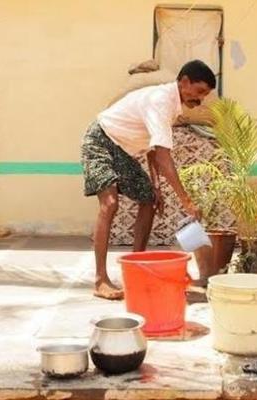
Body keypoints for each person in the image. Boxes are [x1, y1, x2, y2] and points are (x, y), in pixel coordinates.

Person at [81, 60, 215, 299]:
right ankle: (100, 280)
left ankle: (136, 267)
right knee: (109, 203)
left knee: (149, 199)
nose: (200, 99)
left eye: (205, 95)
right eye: (199, 92)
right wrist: (186, 201)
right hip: (100, 139)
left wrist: (156, 186)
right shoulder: (161, 101)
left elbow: (154, 149)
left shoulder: (174, 105)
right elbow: (163, 155)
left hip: (123, 149)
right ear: (184, 82)